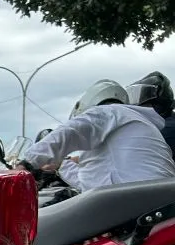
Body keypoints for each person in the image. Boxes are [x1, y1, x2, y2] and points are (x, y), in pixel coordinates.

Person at [22, 79, 175, 192]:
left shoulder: (111, 111)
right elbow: (90, 185)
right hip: (152, 202)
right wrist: (62, 165)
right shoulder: (125, 130)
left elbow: (71, 131)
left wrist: (27, 164)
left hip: (137, 202)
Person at [127, 71, 175, 155]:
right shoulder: (167, 122)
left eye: (145, 105)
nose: (138, 108)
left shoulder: (164, 130)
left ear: (158, 105)